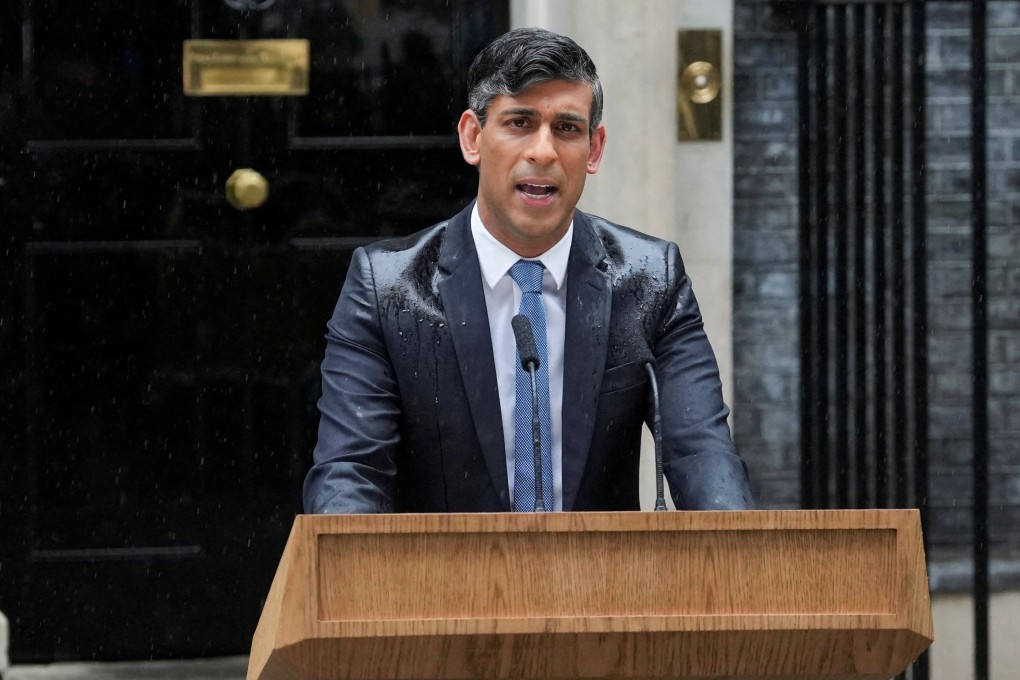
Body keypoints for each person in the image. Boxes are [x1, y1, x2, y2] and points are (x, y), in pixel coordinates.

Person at [303, 27, 754, 513]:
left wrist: (735, 567)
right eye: (520, 123)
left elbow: (703, 455)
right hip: (441, 584)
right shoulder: (385, 288)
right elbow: (350, 474)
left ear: (594, 149)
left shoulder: (651, 280)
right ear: (473, 138)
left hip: (601, 584)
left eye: (566, 128)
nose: (543, 152)